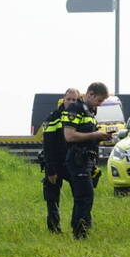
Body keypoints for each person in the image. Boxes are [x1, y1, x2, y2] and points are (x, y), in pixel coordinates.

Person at [62, 83, 116, 239]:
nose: (99, 104)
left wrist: (100, 137)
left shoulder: (89, 111)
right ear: (90, 94)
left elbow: (87, 134)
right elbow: (69, 136)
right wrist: (95, 135)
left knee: (85, 196)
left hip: (87, 159)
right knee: (84, 197)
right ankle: (80, 233)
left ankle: (82, 229)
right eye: (98, 101)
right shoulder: (74, 109)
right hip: (77, 158)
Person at [39, 88, 80, 234]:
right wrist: (50, 169)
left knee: (80, 196)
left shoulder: (79, 115)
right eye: (68, 99)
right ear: (64, 99)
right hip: (55, 163)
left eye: (74, 100)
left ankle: (79, 226)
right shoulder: (53, 117)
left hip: (73, 163)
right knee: (52, 199)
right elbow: (48, 146)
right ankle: (54, 229)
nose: (71, 102)